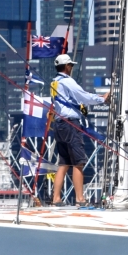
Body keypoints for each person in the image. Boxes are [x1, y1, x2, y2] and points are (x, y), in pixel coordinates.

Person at [47, 53, 108, 207]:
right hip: (70, 124)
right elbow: (82, 96)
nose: (72, 68)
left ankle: (56, 198)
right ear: (67, 66)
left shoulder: (54, 82)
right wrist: (102, 99)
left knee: (63, 163)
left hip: (59, 125)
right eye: (71, 65)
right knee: (78, 163)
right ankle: (80, 199)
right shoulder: (68, 81)